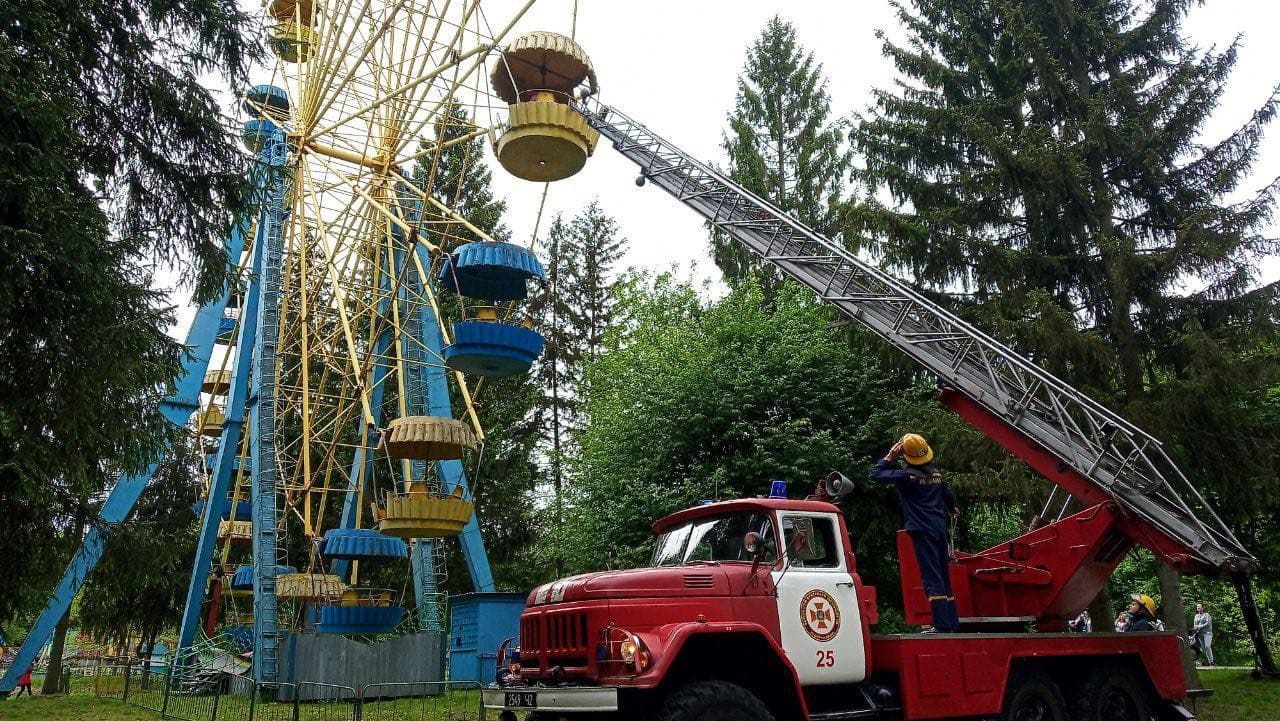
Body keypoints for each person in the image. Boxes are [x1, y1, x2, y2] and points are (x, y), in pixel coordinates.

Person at [870, 434, 960, 633]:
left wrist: (890, 456)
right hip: (938, 528)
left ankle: (942, 625)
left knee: (931, 576)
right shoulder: (936, 474)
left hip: (922, 530)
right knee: (943, 574)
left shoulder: (906, 477)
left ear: (906, 454)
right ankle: (952, 622)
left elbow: (875, 474)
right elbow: (948, 496)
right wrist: (952, 508)